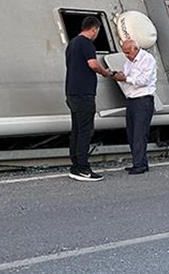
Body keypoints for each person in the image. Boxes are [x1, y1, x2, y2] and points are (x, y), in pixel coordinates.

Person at [65, 16, 121, 181]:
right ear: (94, 29)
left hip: (72, 92)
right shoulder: (86, 43)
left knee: (76, 130)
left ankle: (75, 165)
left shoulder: (72, 44)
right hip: (84, 93)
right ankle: (83, 168)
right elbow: (93, 64)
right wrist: (106, 73)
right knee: (85, 131)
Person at [114, 38, 157, 174]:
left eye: (128, 52)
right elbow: (128, 78)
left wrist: (125, 78)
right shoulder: (129, 62)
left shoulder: (147, 59)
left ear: (136, 49)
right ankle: (139, 162)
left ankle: (139, 164)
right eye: (124, 53)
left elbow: (143, 80)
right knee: (132, 133)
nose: (126, 55)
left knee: (139, 133)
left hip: (143, 99)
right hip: (132, 99)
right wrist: (120, 76)